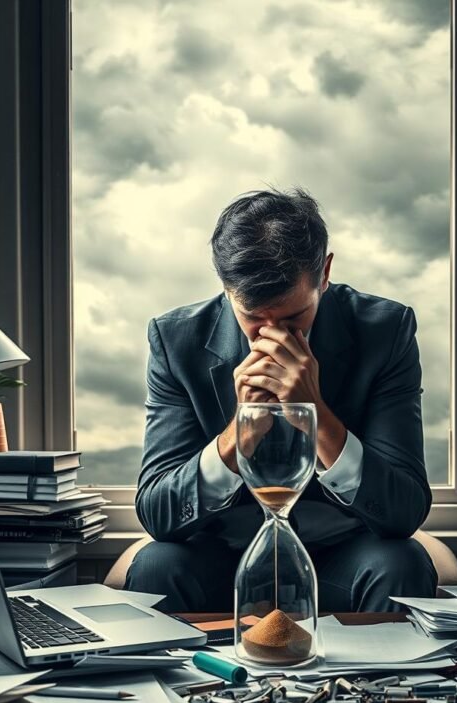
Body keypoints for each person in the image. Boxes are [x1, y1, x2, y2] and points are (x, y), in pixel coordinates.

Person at [126, 187, 437, 612]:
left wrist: (316, 413)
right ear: (226, 288)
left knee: (401, 563)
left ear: (324, 273)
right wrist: (240, 431)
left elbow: (405, 510)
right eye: (253, 319)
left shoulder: (385, 331)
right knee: (157, 565)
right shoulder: (176, 340)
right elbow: (158, 513)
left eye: (293, 318)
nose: (273, 336)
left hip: (342, 556)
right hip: (221, 556)